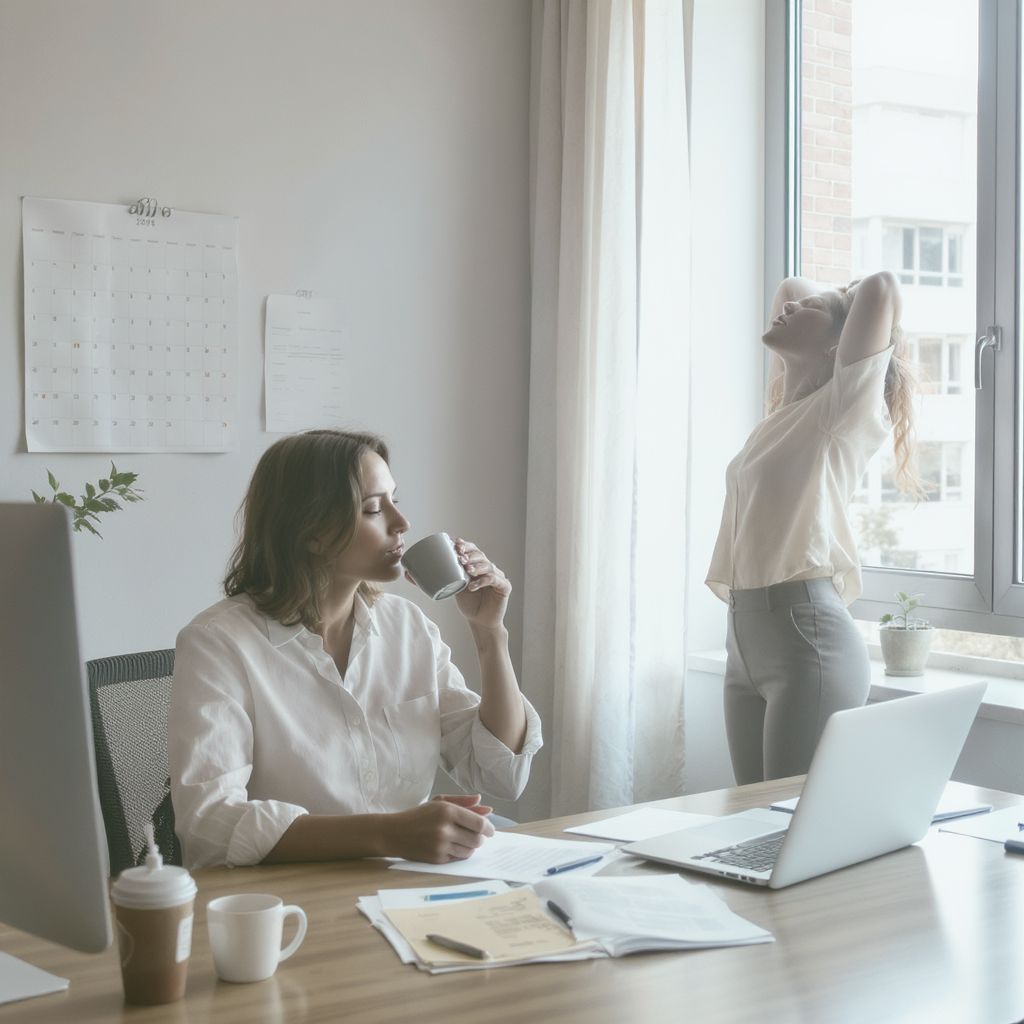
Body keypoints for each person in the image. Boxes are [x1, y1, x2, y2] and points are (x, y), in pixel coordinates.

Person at [169, 429, 542, 869]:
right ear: (312, 533)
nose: (401, 524)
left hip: (406, 881)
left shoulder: (407, 627)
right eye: (372, 509)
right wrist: (390, 832)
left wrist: (489, 632)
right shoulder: (219, 643)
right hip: (295, 897)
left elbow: (500, 772)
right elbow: (210, 826)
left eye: (395, 501)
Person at [706, 271, 919, 785]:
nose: (788, 308)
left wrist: (840, 304)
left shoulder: (843, 409)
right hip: (745, 640)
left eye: (809, 311)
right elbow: (789, 286)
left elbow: (883, 286)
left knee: (790, 828)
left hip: (807, 641)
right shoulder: (785, 414)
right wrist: (821, 309)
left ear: (839, 348)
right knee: (751, 823)